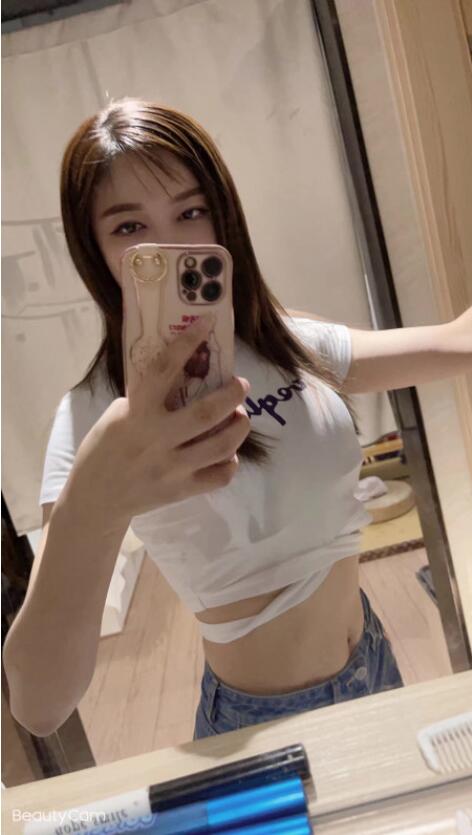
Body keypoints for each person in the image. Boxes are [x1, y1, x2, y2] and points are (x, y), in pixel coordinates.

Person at [3, 98, 403, 741]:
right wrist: (92, 504)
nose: (170, 245)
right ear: (95, 250)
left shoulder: (288, 344)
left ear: (223, 216)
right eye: (129, 227)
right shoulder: (94, 415)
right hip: (263, 723)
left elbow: (456, 342)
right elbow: (39, 705)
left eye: (190, 212)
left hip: (375, 661)